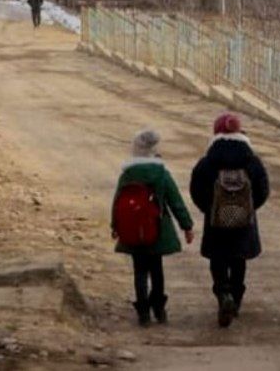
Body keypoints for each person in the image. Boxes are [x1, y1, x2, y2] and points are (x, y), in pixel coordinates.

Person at [189, 113, 269, 328]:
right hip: (244, 222)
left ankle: (223, 294)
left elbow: (196, 190)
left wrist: (209, 209)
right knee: (238, 259)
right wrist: (248, 209)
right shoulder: (251, 160)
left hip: (216, 222)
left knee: (219, 259)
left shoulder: (208, 161)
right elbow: (263, 190)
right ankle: (236, 297)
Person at [111, 129, 194, 327]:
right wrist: (187, 226)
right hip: (157, 228)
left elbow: (117, 201)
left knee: (139, 270)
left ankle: (143, 313)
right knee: (156, 269)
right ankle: (159, 308)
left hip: (131, 229)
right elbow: (175, 201)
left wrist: (115, 226)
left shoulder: (128, 174)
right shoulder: (161, 173)